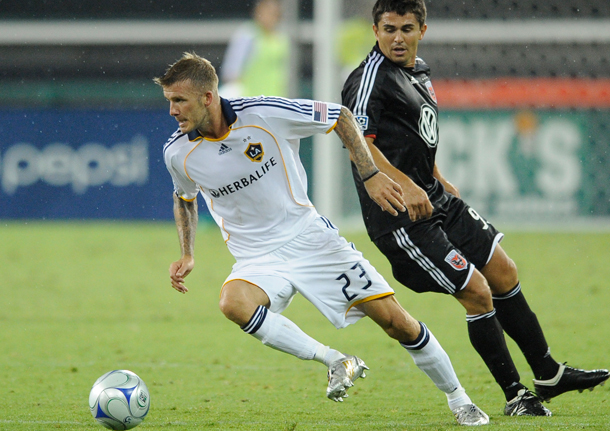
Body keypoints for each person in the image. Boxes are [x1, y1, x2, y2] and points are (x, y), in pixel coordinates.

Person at [154, 52, 489, 426]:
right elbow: (183, 199)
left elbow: (340, 117)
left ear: (207, 97)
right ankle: (334, 360)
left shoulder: (264, 114)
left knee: (396, 323)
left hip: (311, 240)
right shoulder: (177, 152)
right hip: (257, 258)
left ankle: (460, 400)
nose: (172, 111)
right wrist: (188, 254)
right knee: (233, 302)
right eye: (169, 101)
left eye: (179, 100)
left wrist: (370, 174)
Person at [341, 0, 609, 417]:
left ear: (422, 30)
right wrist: (407, 184)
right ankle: (516, 395)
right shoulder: (369, 78)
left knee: (503, 270)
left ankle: (549, 373)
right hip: (400, 217)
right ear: (375, 30)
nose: (397, 38)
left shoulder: (419, 70)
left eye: (406, 28)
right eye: (388, 28)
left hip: (433, 196)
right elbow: (360, 141)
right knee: (476, 292)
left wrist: (436, 175)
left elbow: (412, 136)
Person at [219, 0, 290, 98]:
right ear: (257, 12)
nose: (270, 17)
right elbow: (231, 72)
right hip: (250, 102)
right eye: (266, 12)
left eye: (273, 13)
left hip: (274, 102)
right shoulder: (248, 35)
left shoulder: (281, 39)